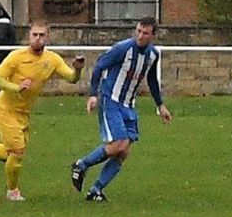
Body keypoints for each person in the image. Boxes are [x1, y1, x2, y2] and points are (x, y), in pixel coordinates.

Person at [0, 21, 86, 201]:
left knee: (11, 153)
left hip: (23, 112)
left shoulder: (52, 60)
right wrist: (16, 87)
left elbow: (72, 79)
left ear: (47, 37)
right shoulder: (16, 56)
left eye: (42, 35)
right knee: (17, 152)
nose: (38, 38)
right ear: (29, 36)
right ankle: (12, 191)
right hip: (5, 109)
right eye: (34, 35)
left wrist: (77, 69)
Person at [70, 17, 173, 202]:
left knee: (123, 151)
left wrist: (160, 105)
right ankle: (81, 164)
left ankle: (96, 190)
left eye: (145, 33)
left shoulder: (153, 55)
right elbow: (100, 65)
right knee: (119, 144)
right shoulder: (123, 48)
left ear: (153, 35)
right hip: (111, 101)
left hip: (128, 105)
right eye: (139, 31)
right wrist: (93, 94)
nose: (140, 36)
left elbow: (151, 80)